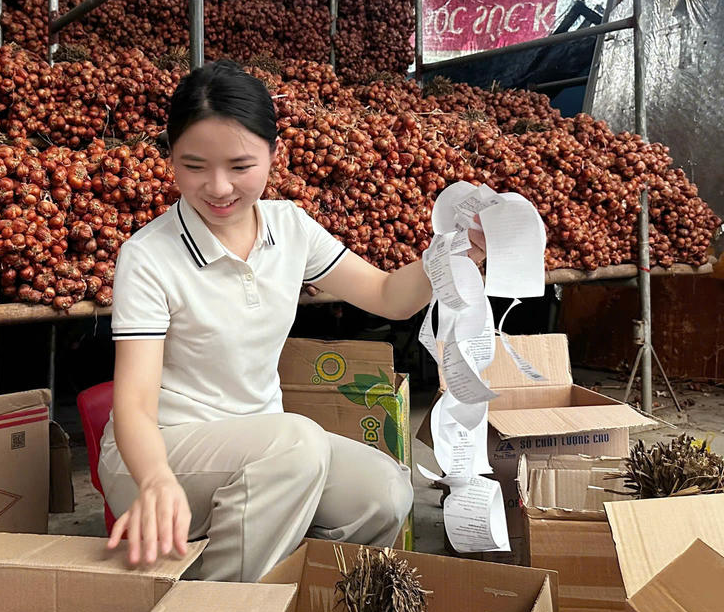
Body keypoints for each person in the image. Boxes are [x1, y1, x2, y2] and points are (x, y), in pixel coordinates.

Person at [98, 59, 482, 581]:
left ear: (274, 155)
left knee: (384, 490)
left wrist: (455, 253)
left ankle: (297, 595)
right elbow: (135, 407)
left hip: (268, 450)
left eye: (240, 166)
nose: (218, 187)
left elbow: (389, 296)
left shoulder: (290, 228)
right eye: (194, 166)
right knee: (297, 443)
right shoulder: (148, 257)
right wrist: (156, 480)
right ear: (170, 159)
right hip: (158, 455)